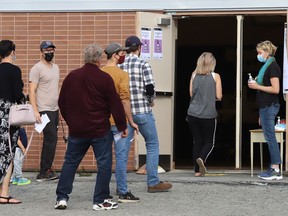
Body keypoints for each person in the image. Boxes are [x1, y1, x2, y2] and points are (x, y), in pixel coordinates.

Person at [55, 43, 128, 211]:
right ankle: (100, 200)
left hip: (77, 130)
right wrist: (122, 125)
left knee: (70, 162)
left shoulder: (72, 76)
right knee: (104, 164)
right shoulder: (104, 78)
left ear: (84, 58)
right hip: (100, 130)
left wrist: (71, 121)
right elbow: (115, 105)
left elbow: (62, 102)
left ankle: (62, 197)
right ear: (99, 60)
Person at [119, 35, 172, 193]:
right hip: (143, 112)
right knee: (152, 144)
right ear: (140, 48)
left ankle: (121, 187)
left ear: (126, 48)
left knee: (122, 150)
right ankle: (153, 182)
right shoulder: (143, 64)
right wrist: (150, 101)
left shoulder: (119, 65)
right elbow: (149, 88)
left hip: (125, 114)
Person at [102, 42, 140, 203]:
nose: (123, 56)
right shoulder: (122, 75)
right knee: (121, 156)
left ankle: (103, 191)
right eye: (121, 53)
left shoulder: (100, 73)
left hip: (102, 121)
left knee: (104, 157)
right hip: (118, 123)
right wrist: (131, 121)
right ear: (115, 55)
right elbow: (125, 101)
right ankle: (122, 190)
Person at [248, 40, 282, 180]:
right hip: (265, 107)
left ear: (267, 52)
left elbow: (275, 89)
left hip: (269, 106)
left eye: (260, 52)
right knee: (269, 136)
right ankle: (274, 167)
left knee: (270, 137)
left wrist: (257, 87)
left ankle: (275, 168)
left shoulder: (273, 67)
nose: (258, 55)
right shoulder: (267, 66)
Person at [186, 52, 223, 177]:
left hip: (192, 114)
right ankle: (201, 158)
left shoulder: (193, 75)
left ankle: (197, 171)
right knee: (209, 142)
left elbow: (191, 94)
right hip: (208, 114)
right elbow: (219, 96)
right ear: (212, 63)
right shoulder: (215, 76)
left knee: (197, 141)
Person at [29, 40, 59, 182]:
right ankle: (44, 171)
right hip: (43, 110)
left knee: (51, 140)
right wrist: (35, 111)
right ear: (41, 52)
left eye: (52, 50)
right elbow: (31, 90)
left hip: (54, 109)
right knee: (50, 139)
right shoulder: (37, 68)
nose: (49, 53)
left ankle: (47, 169)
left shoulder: (56, 68)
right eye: (47, 50)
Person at [0, 39, 25, 204]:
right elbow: (18, 95)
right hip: (8, 115)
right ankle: (4, 194)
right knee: (8, 152)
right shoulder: (15, 70)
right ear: (13, 52)